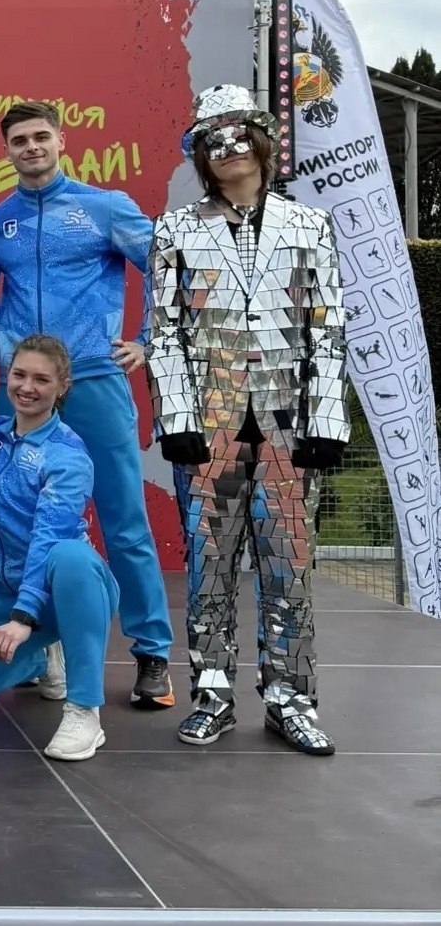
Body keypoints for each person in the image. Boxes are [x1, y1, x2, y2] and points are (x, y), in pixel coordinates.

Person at [148, 84, 348, 755]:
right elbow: (164, 330)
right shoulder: (175, 228)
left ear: (261, 143)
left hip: (289, 425)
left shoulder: (309, 225)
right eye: (213, 139)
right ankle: (211, 694)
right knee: (209, 567)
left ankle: (290, 697)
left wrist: (326, 420)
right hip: (208, 425)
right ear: (200, 155)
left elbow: (327, 328)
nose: (228, 148)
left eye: (238, 134)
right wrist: (177, 417)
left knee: (288, 568)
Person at [0, 101, 174, 709]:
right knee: (18, 520)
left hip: (94, 379)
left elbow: (167, 266)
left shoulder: (104, 207)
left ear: (62, 140)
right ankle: (37, 644)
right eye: (19, 140)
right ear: (6, 151)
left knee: (123, 519)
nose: (31, 147)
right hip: (25, 389)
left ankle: (152, 653)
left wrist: (148, 339)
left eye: (41, 136)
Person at [0, 334, 120, 762]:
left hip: (64, 593)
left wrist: (23, 618)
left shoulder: (67, 455)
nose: (27, 387)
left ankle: (84, 710)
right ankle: (39, 655)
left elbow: (49, 537)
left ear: (62, 386)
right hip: (7, 596)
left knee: (69, 556)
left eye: (41, 379)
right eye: (19, 375)